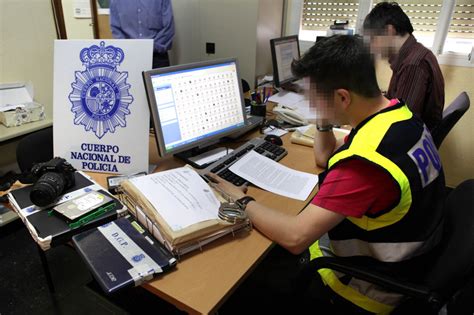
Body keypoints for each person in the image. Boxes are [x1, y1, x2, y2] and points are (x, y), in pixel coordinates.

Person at [214, 35, 446, 314]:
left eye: (314, 99)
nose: (311, 107)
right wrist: (326, 118)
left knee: (243, 279)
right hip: (409, 259)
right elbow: (325, 158)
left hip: (363, 289)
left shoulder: (365, 164)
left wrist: (241, 200)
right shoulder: (397, 115)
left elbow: (295, 238)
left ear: (343, 97)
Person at [363, 2, 445, 131]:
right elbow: (395, 103)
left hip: (408, 142)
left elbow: (401, 124)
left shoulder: (413, 64)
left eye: (373, 39)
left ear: (389, 31)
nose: (372, 47)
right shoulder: (412, 55)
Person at [110, 0, 175, 69]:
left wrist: (149, 47)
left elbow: (168, 27)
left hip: (157, 57)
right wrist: (129, 48)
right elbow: (116, 29)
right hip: (129, 57)